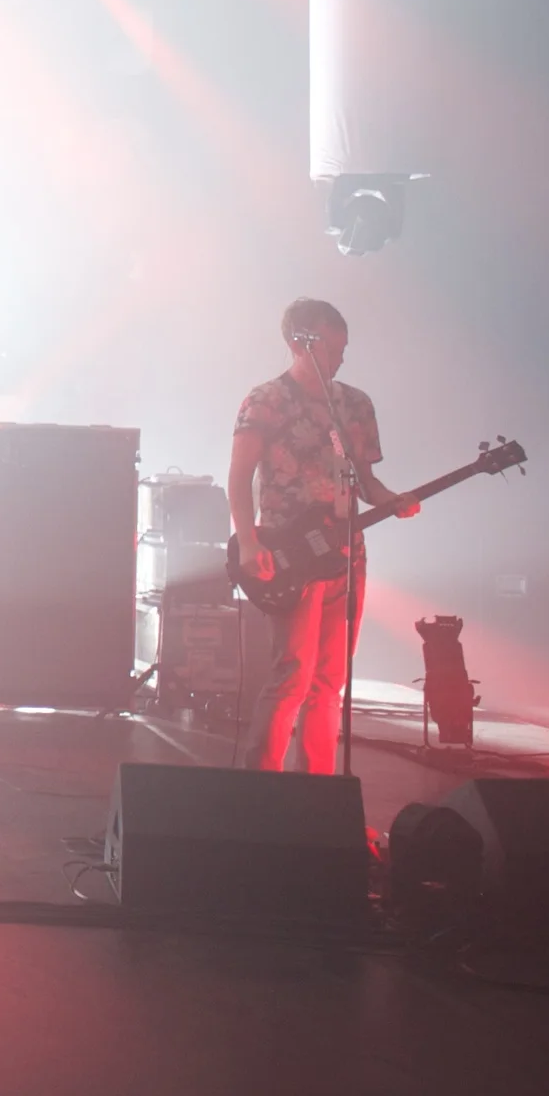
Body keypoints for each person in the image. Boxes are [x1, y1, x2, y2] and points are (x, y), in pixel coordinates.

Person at [229, 298, 417, 773]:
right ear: (298, 343)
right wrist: (249, 542)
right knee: (292, 672)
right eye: (330, 347)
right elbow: (239, 476)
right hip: (290, 553)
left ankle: (316, 791)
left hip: (345, 554)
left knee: (331, 679)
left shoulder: (354, 404)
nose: (339, 357)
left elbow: (367, 482)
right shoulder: (266, 400)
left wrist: (393, 499)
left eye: (342, 348)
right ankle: (261, 786)